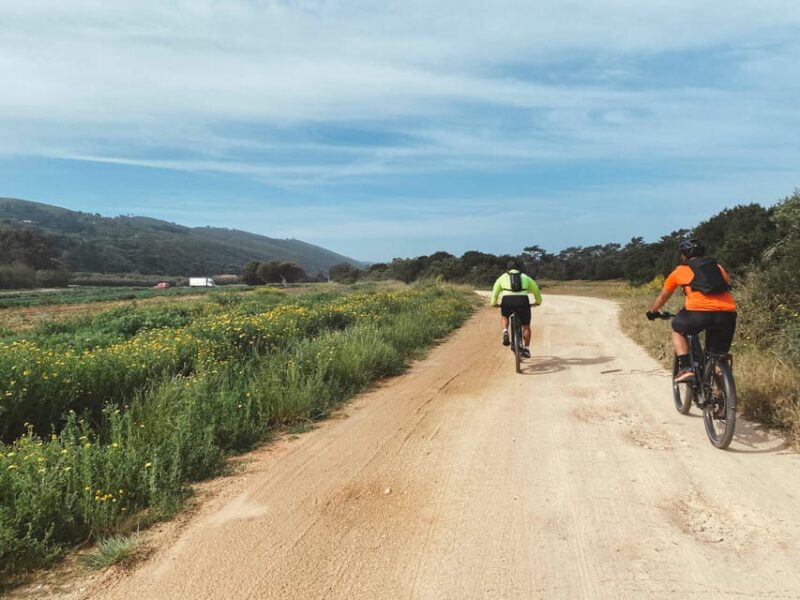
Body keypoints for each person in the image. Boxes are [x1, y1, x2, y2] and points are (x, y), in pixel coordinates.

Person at [646, 238, 737, 382]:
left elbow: (663, 296)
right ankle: (723, 388)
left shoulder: (680, 270)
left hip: (698, 313)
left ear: (683, 255)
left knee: (677, 330)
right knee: (718, 354)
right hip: (727, 314)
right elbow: (726, 286)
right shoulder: (718, 267)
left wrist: (652, 311)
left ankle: (686, 369)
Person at [491, 262, 543, 358]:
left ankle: (505, 331)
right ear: (519, 269)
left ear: (508, 269)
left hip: (507, 301)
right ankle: (526, 349)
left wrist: (494, 303)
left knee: (505, 316)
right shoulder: (525, 277)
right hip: (522, 301)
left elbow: (495, 291)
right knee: (526, 326)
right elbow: (536, 289)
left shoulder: (502, 277)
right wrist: (538, 302)